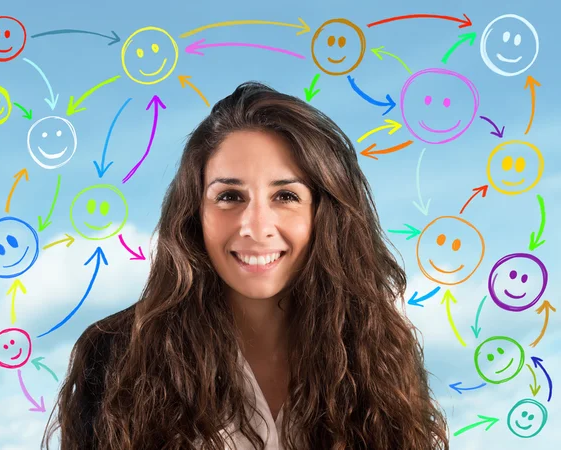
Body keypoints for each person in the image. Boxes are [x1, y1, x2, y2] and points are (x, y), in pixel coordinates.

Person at [41, 81, 449, 449]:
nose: (255, 228)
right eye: (229, 197)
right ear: (193, 213)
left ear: (325, 215)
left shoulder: (380, 354)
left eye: (286, 196)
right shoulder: (114, 353)